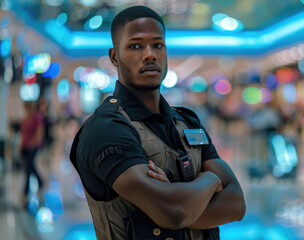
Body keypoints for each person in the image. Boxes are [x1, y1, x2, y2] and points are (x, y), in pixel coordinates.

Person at [70, 5, 245, 240]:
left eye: (158, 45)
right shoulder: (106, 128)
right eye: (135, 46)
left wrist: (179, 201)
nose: (150, 54)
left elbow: (236, 203)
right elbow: (171, 212)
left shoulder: (187, 122)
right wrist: (210, 180)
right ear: (114, 57)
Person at [20, 101, 45, 205]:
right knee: (30, 167)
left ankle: (25, 192)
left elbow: (40, 131)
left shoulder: (36, 116)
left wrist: (34, 142)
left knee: (28, 168)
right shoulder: (25, 117)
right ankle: (40, 182)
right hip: (25, 146)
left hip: (33, 146)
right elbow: (23, 134)